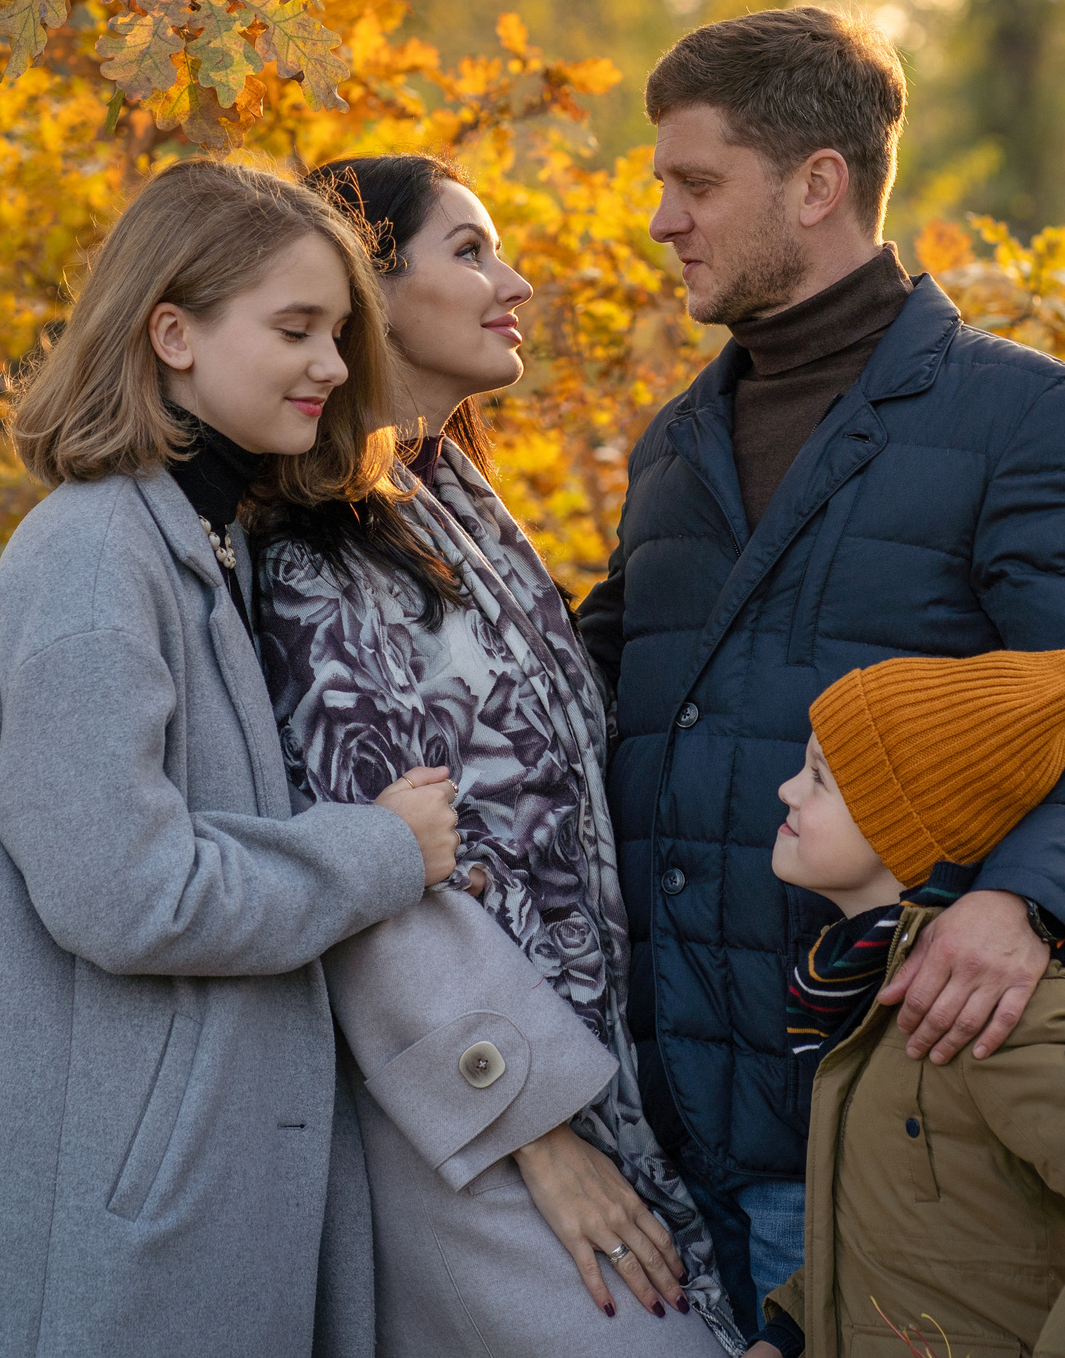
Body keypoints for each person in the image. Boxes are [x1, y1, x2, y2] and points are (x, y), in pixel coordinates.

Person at [570, 7, 1065, 1328]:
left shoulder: (1020, 416)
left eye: (696, 183)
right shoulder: (674, 443)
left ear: (818, 184)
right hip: (667, 1137)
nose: (663, 219)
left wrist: (1023, 902)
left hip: (891, 1126)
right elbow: (594, 692)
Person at [0, 160, 465, 1358]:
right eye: (295, 329)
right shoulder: (96, 567)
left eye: (340, 332)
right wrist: (374, 853)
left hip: (190, 1178)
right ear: (173, 333)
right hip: (108, 1216)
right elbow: (123, 893)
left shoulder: (204, 538)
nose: (335, 366)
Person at [254, 154, 744, 1356]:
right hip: (471, 1126)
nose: (512, 281)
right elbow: (377, 880)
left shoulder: (453, 500)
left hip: (602, 1084)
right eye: (468, 252)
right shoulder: (312, 558)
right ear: (369, 286)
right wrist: (536, 1135)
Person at [748, 651, 1065, 1358]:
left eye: (819, 777)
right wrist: (789, 1334)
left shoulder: (998, 1010)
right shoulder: (872, 989)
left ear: (903, 828)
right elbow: (890, 1233)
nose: (788, 789)